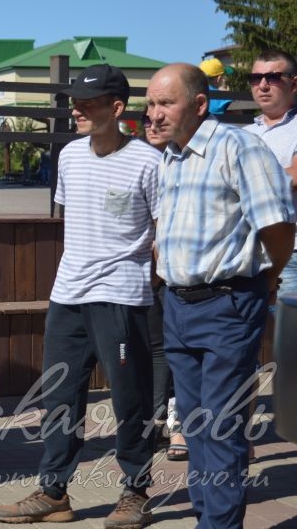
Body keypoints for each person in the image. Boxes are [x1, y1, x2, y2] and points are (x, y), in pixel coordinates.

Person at [0, 65, 160, 527]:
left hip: (122, 297)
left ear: (117, 108)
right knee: (60, 396)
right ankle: (53, 492)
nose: (76, 109)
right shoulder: (69, 156)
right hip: (67, 295)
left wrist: (152, 281)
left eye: (87, 103)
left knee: (129, 400)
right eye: (74, 102)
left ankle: (135, 491)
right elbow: (74, 223)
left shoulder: (148, 161)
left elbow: (161, 232)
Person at [149, 63, 295, 528]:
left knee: (220, 425)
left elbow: (278, 227)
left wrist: (264, 282)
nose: (153, 113)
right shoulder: (171, 156)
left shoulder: (238, 147)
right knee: (194, 426)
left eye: (164, 103)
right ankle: (205, 517)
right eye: (150, 103)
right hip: (178, 304)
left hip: (228, 304)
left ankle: (219, 524)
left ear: (197, 104)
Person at [141, 112, 187, 462]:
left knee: (177, 350)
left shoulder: (182, 162)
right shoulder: (143, 161)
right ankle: (154, 422)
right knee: (155, 350)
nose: (151, 123)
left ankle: (180, 424)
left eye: (160, 117)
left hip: (177, 272)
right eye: (145, 117)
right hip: (145, 273)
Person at [242, 50, 297, 295]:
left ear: (293, 83)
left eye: (273, 77)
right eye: (256, 78)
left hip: (290, 255)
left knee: (288, 332)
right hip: (247, 254)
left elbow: (294, 177)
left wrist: (241, 182)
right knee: (259, 332)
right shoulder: (243, 134)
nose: (262, 85)